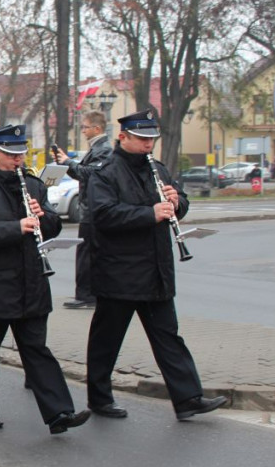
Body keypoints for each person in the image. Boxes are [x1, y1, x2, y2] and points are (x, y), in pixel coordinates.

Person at [85, 110, 228, 420]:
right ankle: (99, 397)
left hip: (156, 270)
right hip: (119, 272)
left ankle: (188, 397)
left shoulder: (158, 170)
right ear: (123, 137)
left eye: (152, 139)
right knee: (107, 339)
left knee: (168, 336)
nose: (148, 145)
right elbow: (103, 215)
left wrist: (178, 203)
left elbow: (178, 206)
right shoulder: (105, 172)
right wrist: (149, 214)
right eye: (142, 139)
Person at [0, 124, 91, 435]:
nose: (17, 160)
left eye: (20, 154)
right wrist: (15, 227)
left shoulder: (32, 184)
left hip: (31, 278)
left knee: (36, 348)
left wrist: (44, 218)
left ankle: (59, 412)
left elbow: (54, 224)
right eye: (10, 155)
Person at [54, 110, 113, 308]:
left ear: (97, 128)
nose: (84, 131)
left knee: (88, 254)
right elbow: (82, 173)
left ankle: (87, 296)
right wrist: (66, 164)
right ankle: (88, 294)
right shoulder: (97, 148)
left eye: (86, 127)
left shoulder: (104, 149)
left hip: (94, 210)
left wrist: (69, 163)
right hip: (90, 209)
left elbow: (91, 174)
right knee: (87, 253)